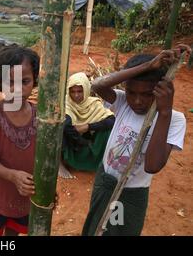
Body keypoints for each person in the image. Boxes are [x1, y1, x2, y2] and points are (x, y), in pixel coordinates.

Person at [82, 45, 190, 236]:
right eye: (132, 92)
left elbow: (152, 165)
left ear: (161, 90)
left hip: (131, 194)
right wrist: (147, 66)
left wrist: (163, 112)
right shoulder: (122, 102)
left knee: (120, 231)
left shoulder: (174, 119)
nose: (137, 101)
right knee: (96, 228)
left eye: (147, 94)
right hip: (105, 181)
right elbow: (98, 84)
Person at [0, 46, 39, 236]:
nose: (17, 88)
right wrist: (14, 176)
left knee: (14, 232)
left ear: (35, 81)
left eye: (25, 81)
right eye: (10, 82)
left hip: (25, 196)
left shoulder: (41, 116)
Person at [59, 72, 115, 179]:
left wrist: (88, 126)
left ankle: (99, 161)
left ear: (86, 89)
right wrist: (83, 142)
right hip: (74, 142)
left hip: (88, 137)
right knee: (60, 127)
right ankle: (60, 163)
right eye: (73, 91)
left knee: (107, 129)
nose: (76, 95)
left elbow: (111, 120)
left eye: (80, 91)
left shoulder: (93, 104)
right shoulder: (66, 103)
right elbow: (67, 126)